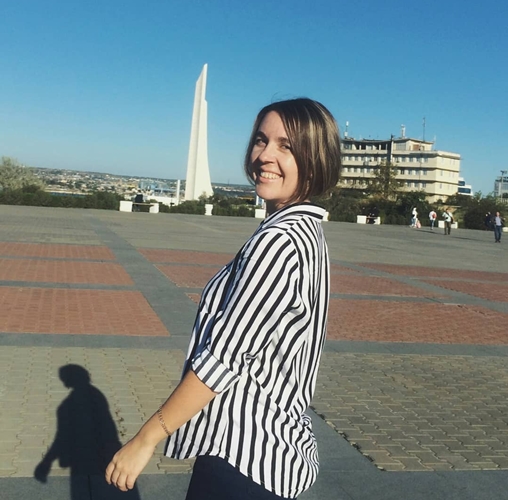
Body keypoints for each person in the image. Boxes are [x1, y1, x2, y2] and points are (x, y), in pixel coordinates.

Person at [105, 98, 342, 499]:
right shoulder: (307, 233)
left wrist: (146, 438)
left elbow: (224, 358)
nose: (264, 155)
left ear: (316, 160)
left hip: (246, 457)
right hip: (273, 453)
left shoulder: (279, 242)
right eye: (261, 140)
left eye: (286, 146)